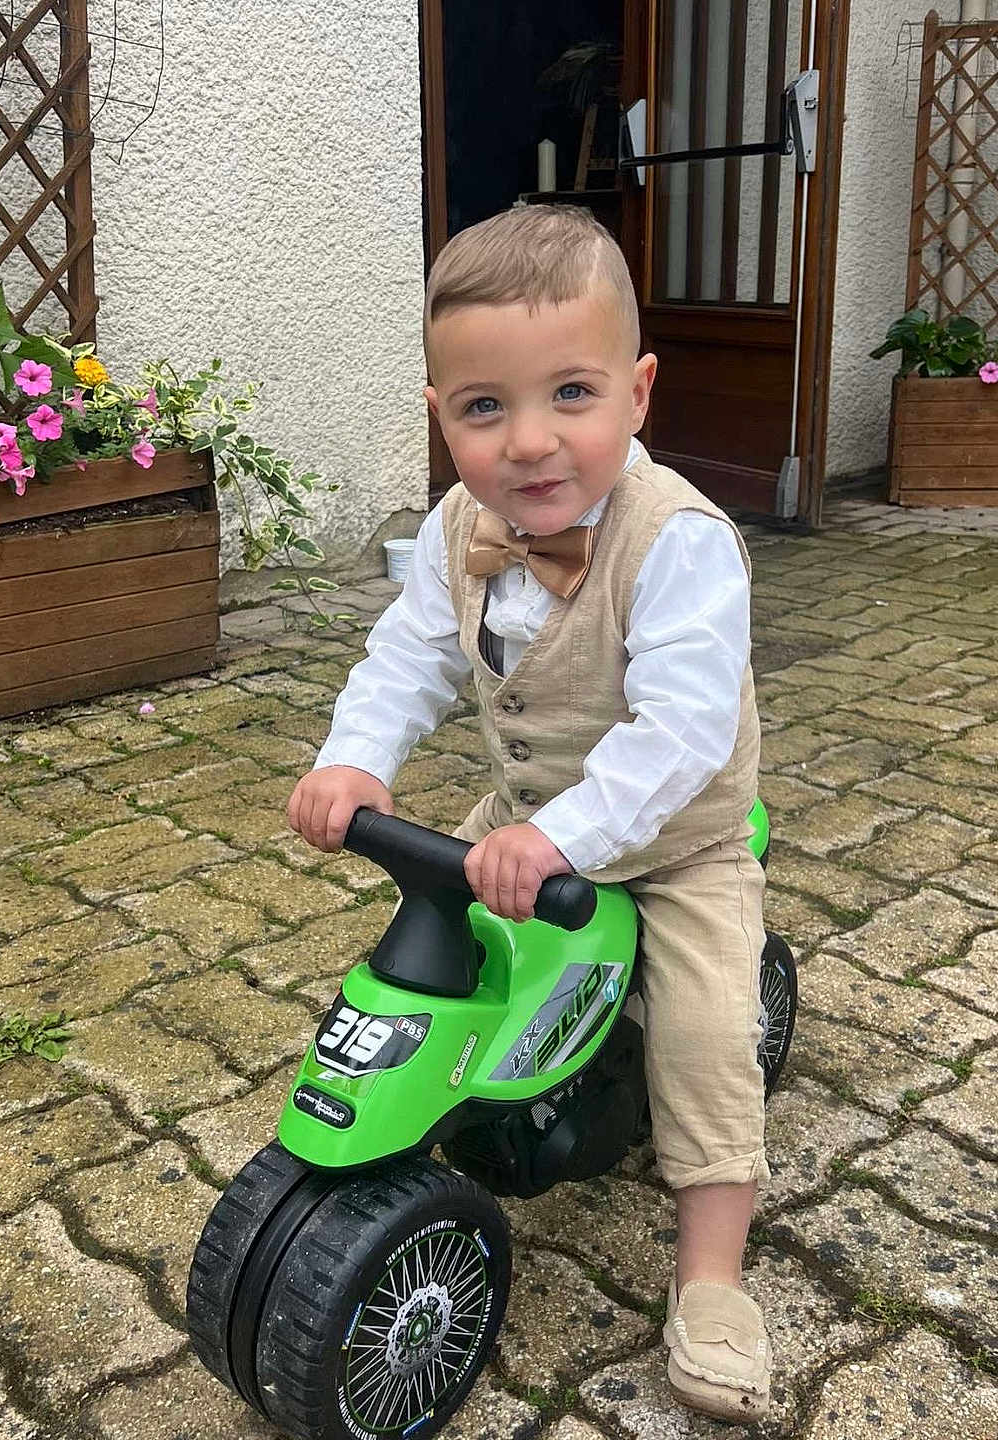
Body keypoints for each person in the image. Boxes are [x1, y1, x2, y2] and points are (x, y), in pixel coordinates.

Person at [288, 204, 770, 1423]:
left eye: (571, 393)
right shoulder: (457, 529)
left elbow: (679, 735)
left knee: (707, 1036)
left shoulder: (683, 544)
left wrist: (566, 838)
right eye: (485, 408)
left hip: (670, 844)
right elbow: (406, 661)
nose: (531, 442)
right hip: (519, 819)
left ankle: (712, 1275)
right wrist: (355, 762)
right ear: (443, 412)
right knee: (441, 956)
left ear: (641, 392)